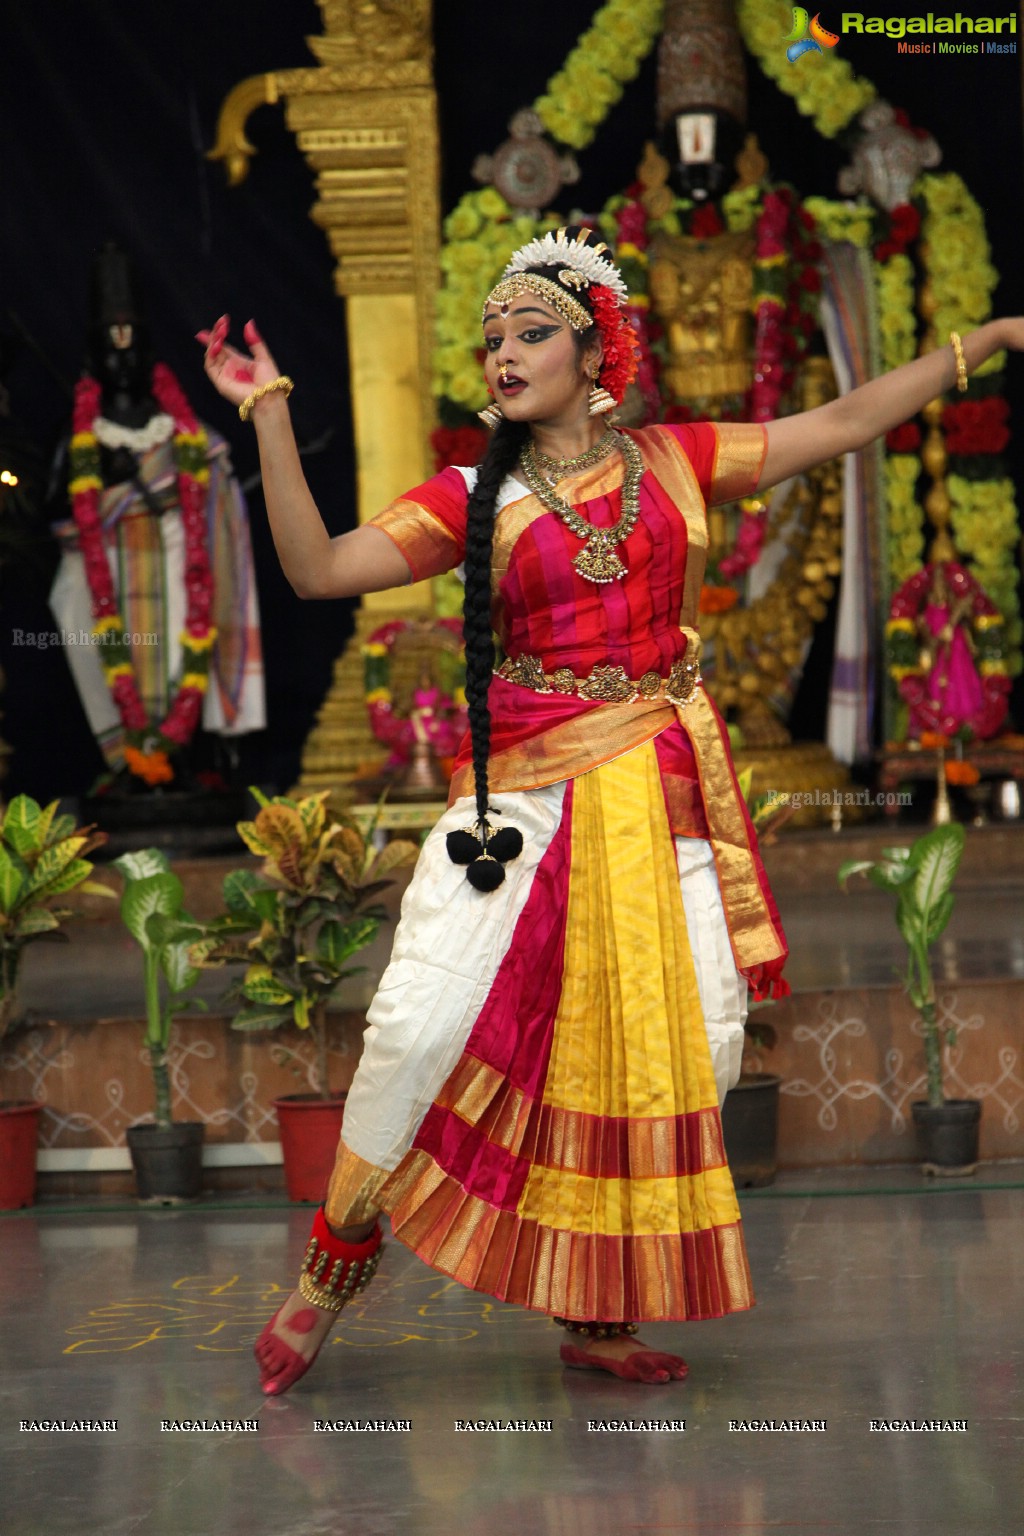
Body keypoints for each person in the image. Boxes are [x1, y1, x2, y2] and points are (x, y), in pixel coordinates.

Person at [199, 227, 1022, 1395]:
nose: (501, 353)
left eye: (528, 331)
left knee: (692, 1048)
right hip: (526, 799)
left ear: (596, 349)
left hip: (667, 789)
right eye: (490, 338)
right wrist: (270, 412)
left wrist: (978, 344)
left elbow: (839, 425)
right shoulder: (472, 496)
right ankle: (332, 1269)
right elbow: (319, 572)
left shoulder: (678, 461)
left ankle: (594, 1306)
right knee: (418, 1030)